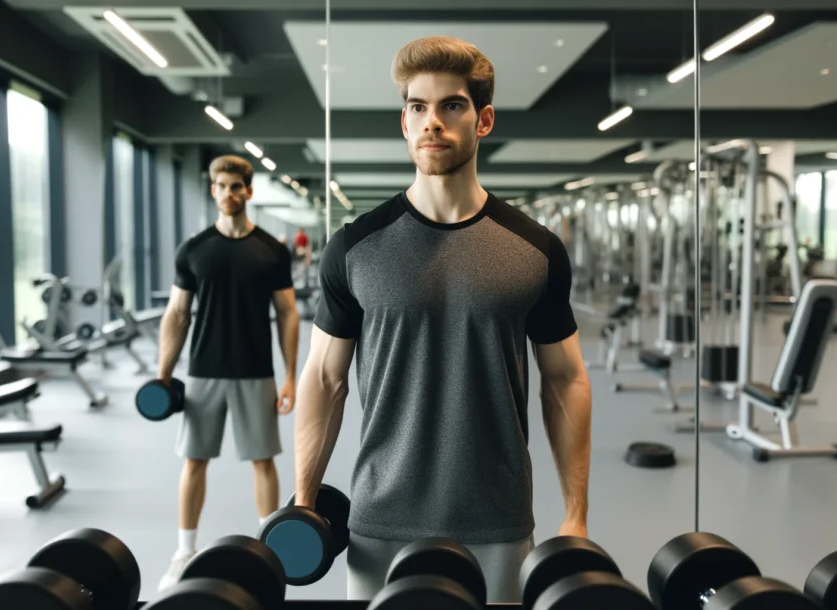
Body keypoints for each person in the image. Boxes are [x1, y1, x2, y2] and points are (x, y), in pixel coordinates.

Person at [292, 36, 593, 603]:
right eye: (417, 107)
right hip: (379, 521)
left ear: (483, 121)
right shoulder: (354, 249)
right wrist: (304, 499)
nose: (432, 121)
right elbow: (324, 379)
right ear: (404, 124)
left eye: (451, 105)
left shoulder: (535, 249)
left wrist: (575, 514)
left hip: (497, 522)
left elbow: (566, 380)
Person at [156, 154, 299, 591]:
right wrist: (163, 374)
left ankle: (266, 552)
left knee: (263, 462)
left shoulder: (272, 251)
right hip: (203, 372)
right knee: (194, 461)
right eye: (221, 186)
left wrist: (290, 375)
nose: (229, 193)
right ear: (212, 191)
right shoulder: (194, 250)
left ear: (249, 192)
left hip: (255, 371)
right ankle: (184, 551)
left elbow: (288, 313)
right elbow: (177, 313)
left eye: (237, 187)